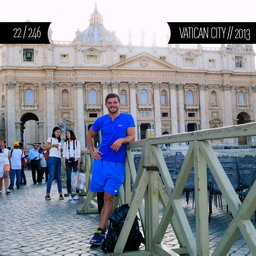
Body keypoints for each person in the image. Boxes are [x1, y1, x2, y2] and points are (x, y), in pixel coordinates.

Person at [87, 93, 135, 246]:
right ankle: (106, 227)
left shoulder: (127, 118)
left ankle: (100, 229)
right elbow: (90, 135)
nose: (112, 104)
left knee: (109, 196)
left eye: (115, 102)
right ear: (106, 105)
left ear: (119, 103)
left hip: (117, 164)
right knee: (101, 195)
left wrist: (121, 140)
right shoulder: (101, 120)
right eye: (110, 102)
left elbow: (132, 137)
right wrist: (92, 150)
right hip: (101, 162)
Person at [44, 126, 64, 200]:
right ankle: (47, 194)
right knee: (51, 176)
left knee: (58, 177)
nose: (58, 133)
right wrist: (53, 145)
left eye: (59, 132)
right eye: (57, 132)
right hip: (52, 158)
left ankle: (61, 193)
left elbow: (60, 150)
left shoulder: (60, 141)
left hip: (58, 158)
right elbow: (45, 147)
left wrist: (61, 150)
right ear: (54, 132)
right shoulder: (50, 138)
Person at [62, 130, 81, 201]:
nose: (67, 134)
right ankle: (69, 194)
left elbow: (78, 154)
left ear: (71, 134)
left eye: (68, 133)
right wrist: (64, 163)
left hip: (75, 161)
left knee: (77, 178)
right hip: (67, 161)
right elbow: (64, 154)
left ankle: (77, 194)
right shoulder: (65, 143)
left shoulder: (76, 142)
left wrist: (79, 163)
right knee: (69, 178)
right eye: (66, 133)